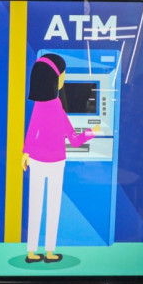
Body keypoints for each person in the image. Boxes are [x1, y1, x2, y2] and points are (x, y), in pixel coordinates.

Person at [21, 54, 98, 263]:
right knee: (52, 206)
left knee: (35, 204)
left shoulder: (41, 105)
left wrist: (26, 153)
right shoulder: (57, 107)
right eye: (63, 73)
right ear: (55, 77)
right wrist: (93, 131)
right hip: (55, 162)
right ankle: (49, 252)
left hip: (37, 160)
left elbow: (32, 131)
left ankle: (32, 251)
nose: (64, 77)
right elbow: (74, 140)